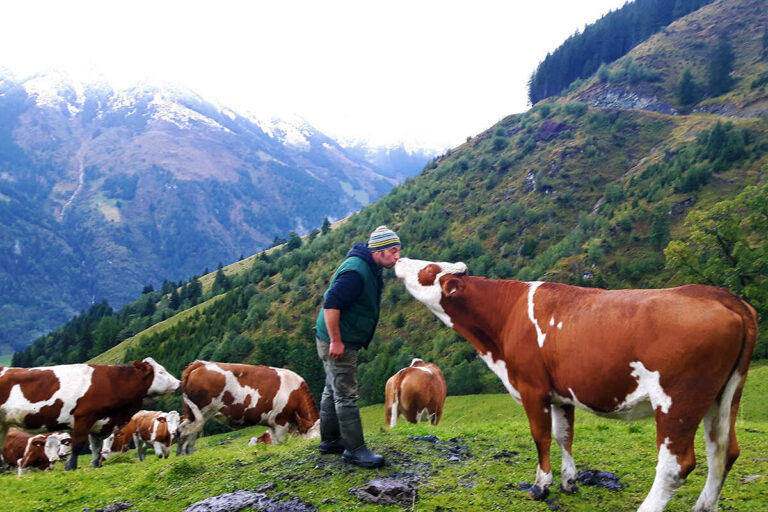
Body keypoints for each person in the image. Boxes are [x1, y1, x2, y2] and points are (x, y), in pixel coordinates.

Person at [314, 225, 401, 468]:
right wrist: (337, 341)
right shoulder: (356, 273)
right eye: (392, 251)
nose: (397, 256)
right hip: (339, 338)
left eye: (398, 250)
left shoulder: (370, 265)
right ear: (378, 251)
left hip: (333, 335)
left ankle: (330, 441)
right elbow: (331, 305)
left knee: (333, 388)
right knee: (346, 394)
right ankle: (355, 450)